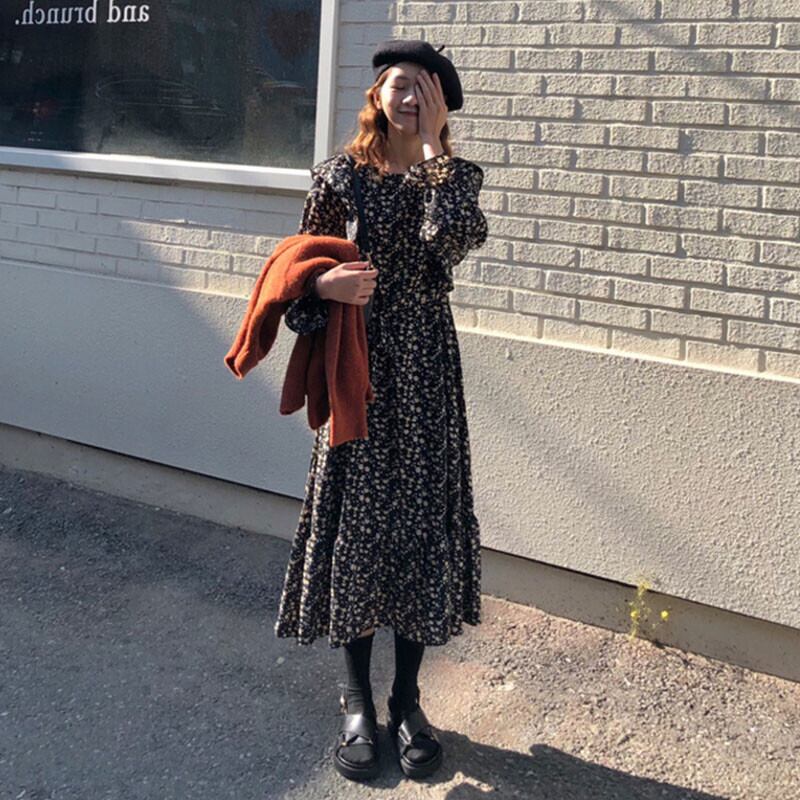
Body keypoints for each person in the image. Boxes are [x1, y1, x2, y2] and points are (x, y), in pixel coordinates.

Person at [273, 38, 488, 781]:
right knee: (360, 529)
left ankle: (407, 701)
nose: (410, 97)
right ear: (376, 94)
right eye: (400, 84)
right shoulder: (339, 177)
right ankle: (358, 700)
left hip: (425, 373)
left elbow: (449, 242)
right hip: (355, 368)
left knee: (419, 527)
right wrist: (324, 287)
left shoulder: (453, 179)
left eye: (426, 89)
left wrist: (432, 155)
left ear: (441, 106)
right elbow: (294, 273)